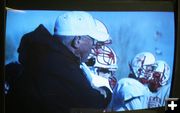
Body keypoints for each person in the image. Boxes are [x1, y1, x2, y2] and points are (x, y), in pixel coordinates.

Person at [6, 11, 112, 113]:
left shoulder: (43, 57)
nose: (94, 45)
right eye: (93, 40)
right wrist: (105, 93)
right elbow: (92, 104)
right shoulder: (62, 66)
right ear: (77, 40)